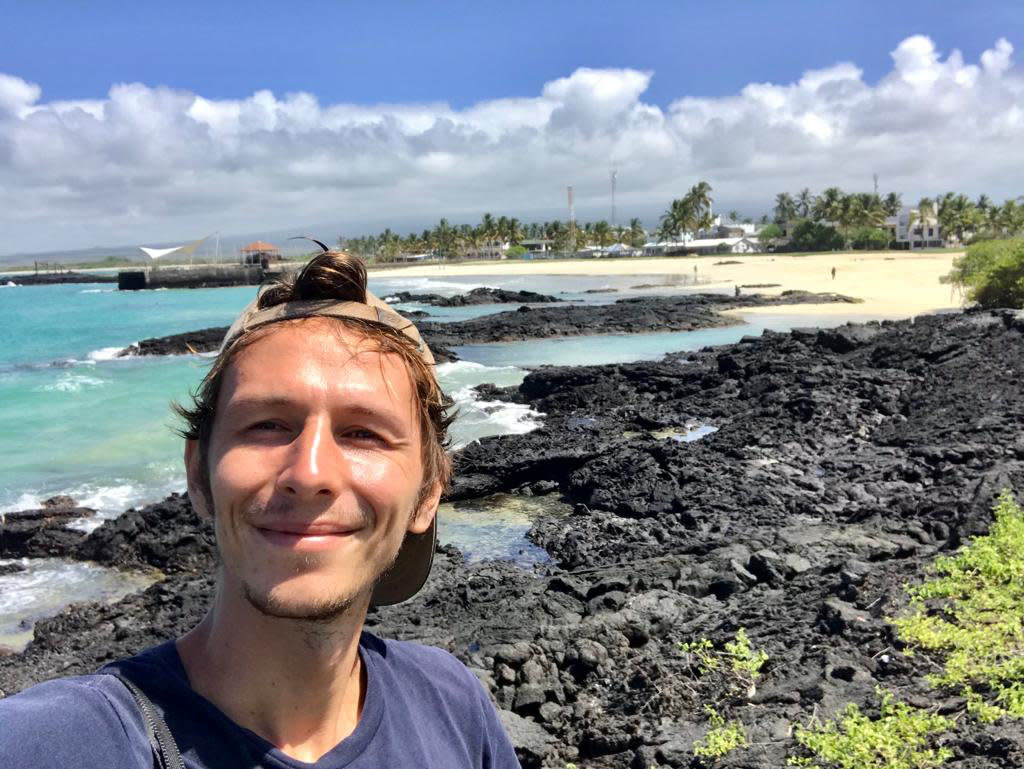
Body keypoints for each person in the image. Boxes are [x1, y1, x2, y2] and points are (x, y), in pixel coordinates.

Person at [0, 248, 521, 769]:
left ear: (428, 493)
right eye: (267, 425)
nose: (309, 474)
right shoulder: (58, 741)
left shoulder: (451, 703)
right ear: (198, 474)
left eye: (364, 433)